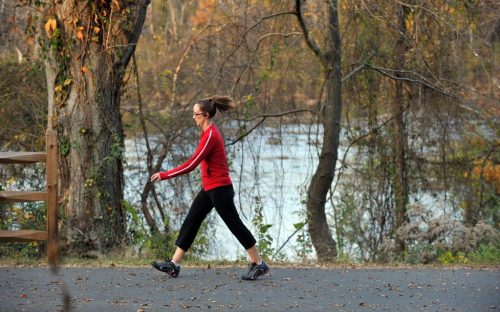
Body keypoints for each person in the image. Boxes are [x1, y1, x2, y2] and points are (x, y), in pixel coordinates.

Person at [150, 96, 269, 281]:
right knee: (192, 220)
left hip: (220, 189)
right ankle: (174, 264)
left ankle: (258, 263)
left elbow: (191, 164)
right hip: (210, 188)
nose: (193, 117)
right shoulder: (206, 134)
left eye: (196, 114)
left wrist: (165, 175)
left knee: (234, 225)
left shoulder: (211, 135)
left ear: (205, 115)